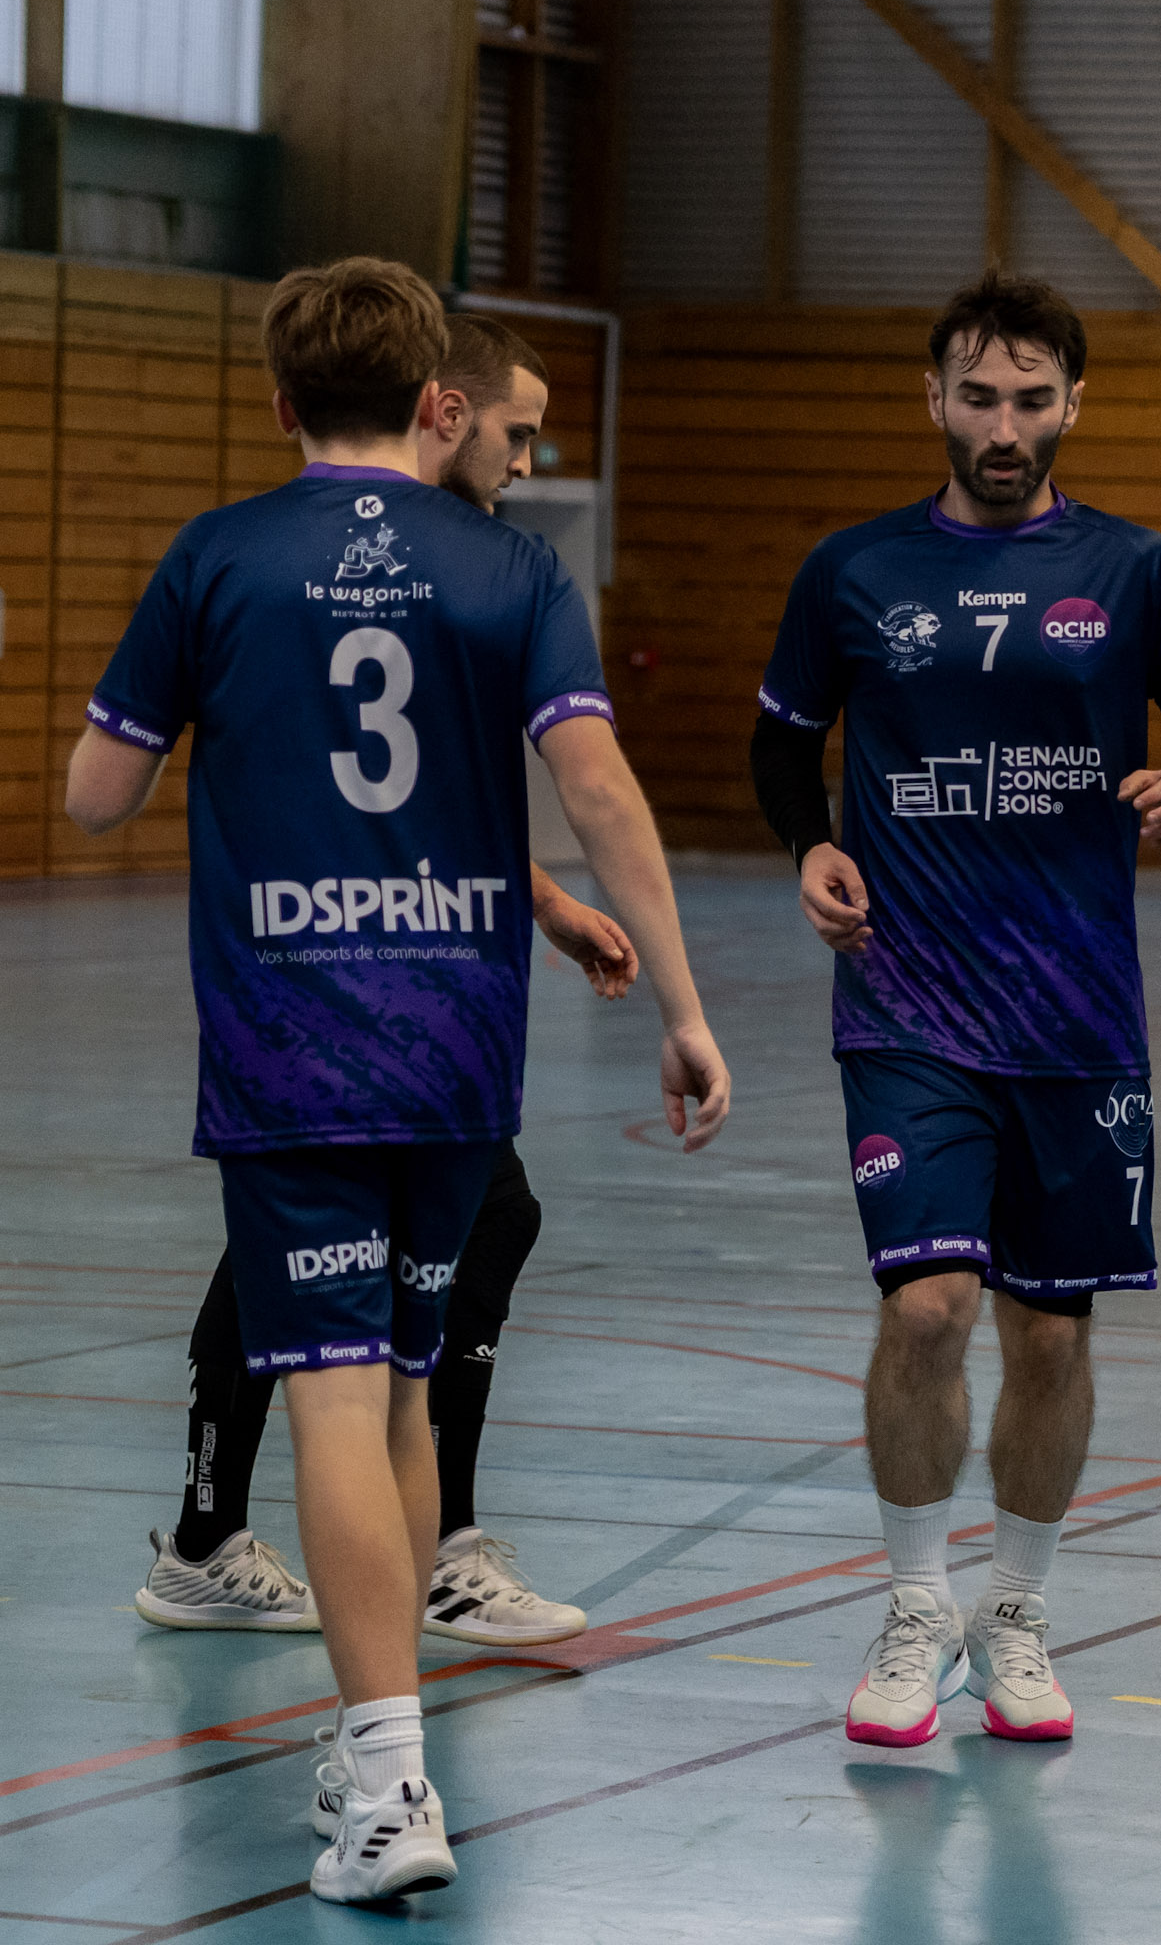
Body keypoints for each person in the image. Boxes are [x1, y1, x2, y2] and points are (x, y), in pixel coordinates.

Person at [67, 256, 730, 1906]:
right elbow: (598, 788)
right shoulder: (512, 568)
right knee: (408, 1395)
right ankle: (388, 1747)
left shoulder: (219, 556)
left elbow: (94, 796)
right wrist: (683, 1008)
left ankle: (383, 1785)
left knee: (334, 1401)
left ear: (281, 401)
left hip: (289, 1040)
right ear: (434, 398)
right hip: (454, 1040)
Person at [750, 269, 1161, 1752]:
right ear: (936, 399)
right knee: (928, 1306)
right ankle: (916, 1606)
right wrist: (810, 846)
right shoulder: (853, 570)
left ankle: (1015, 1612)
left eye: (1032, 399)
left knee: (1048, 1339)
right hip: (905, 1003)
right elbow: (781, 745)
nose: (1005, 425)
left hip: (1077, 1017)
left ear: (1072, 405)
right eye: (979, 396)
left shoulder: (1136, 569)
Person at [134, 314, 636, 1652]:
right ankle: (425, 1551)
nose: (524, 464)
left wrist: (544, 903)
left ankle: (215, 1536)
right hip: (337, 987)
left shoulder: (432, 569)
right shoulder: (331, 564)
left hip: (394, 978)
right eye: (516, 432)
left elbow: (412, 806)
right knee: (462, 1221)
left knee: (333, 1238)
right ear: (442, 411)